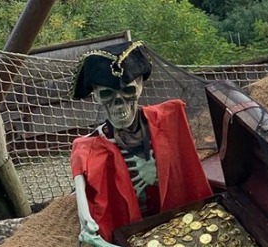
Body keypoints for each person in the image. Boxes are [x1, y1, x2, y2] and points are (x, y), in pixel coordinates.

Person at [71, 42, 212, 247]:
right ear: (96, 96)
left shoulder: (169, 118)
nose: (119, 103)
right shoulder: (87, 149)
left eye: (128, 90)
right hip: (130, 233)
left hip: (177, 222)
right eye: (107, 94)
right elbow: (87, 224)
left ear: (140, 87)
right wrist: (91, 232)